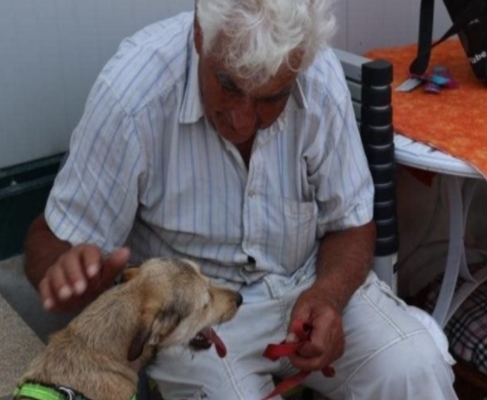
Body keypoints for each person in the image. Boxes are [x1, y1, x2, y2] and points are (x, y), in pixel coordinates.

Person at [24, 0, 458, 399]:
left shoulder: (315, 74)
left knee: (414, 367)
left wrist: (328, 295)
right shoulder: (132, 96)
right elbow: (50, 239)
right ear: (199, 34)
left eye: (273, 98)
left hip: (310, 281)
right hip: (201, 315)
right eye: (229, 85)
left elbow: (352, 222)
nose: (244, 120)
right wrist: (64, 274)